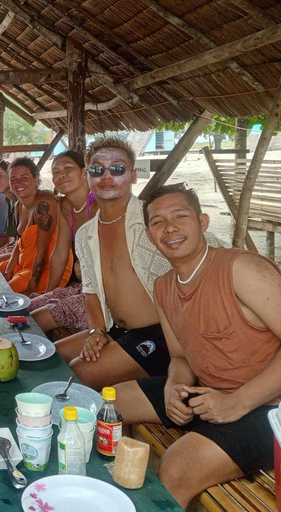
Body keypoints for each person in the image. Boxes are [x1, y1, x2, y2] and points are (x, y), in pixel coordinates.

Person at [114, 184, 281, 507]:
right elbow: (179, 356)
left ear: (202, 222)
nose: (170, 228)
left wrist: (237, 403)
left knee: (176, 469)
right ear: (149, 235)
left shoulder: (240, 268)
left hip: (269, 408)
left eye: (180, 216)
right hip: (207, 393)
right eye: (158, 222)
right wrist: (174, 386)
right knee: (105, 405)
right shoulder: (164, 286)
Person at [54, 137, 172, 389]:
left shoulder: (153, 219)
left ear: (133, 175)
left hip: (161, 333)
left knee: (78, 373)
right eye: (97, 169)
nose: (106, 176)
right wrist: (96, 331)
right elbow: (91, 291)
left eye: (117, 168)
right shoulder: (86, 233)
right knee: (53, 357)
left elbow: (205, 249)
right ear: (88, 176)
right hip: (115, 328)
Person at [28, 151, 95, 333]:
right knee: (27, 308)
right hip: (83, 286)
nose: (60, 175)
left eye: (67, 168)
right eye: (55, 172)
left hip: (102, 294)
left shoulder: (100, 205)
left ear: (84, 172)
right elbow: (60, 253)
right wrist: (50, 293)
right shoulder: (66, 206)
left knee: (32, 322)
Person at [0, 157, 73, 295]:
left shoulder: (44, 204)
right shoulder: (18, 206)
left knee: (6, 292)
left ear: (36, 179)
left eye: (24, 178)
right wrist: (9, 270)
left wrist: (31, 288)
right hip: (26, 265)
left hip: (47, 269)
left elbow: (42, 251)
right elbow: (19, 243)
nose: (18, 183)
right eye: (13, 179)